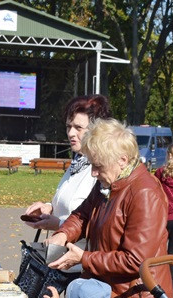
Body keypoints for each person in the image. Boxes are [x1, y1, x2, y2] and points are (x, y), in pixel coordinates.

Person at [47, 119, 172, 298]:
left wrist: (84, 258)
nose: (93, 172)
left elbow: (136, 261)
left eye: (98, 166)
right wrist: (64, 234)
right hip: (107, 296)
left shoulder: (144, 192)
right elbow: (82, 214)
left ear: (122, 160)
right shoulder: (109, 183)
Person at [23, 95, 111, 231]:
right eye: (68, 127)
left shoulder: (104, 170)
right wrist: (48, 208)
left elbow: (100, 224)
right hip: (60, 243)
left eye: (78, 127)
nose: (71, 133)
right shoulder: (78, 162)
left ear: (97, 130)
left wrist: (59, 224)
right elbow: (67, 206)